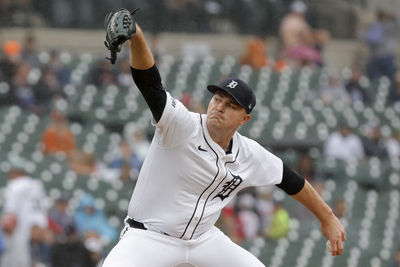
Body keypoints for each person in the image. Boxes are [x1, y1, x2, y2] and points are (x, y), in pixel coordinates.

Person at [102, 11, 346, 267]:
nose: (219, 107)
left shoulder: (248, 153)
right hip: (149, 238)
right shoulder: (181, 125)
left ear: (244, 119)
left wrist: (327, 217)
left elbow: (292, 181)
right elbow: (149, 82)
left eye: (231, 105)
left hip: (203, 241)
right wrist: (137, 35)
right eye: (217, 99)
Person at [1, 156, 48, 267]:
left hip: (18, 232)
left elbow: (10, 215)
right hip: (38, 230)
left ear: (15, 171)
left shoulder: (15, 185)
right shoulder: (37, 185)